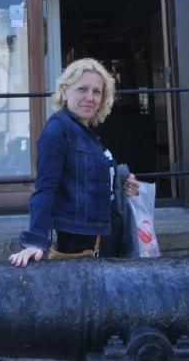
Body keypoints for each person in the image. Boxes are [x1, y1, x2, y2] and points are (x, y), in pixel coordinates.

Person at [9, 57, 139, 265]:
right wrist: (35, 241)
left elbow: (88, 179)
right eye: (82, 89)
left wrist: (122, 183)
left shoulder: (87, 133)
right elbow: (45, 188)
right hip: (83, 242)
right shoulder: (58, 129)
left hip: (108, 236)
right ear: (64, 91)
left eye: (96, 92)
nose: (90, 97)